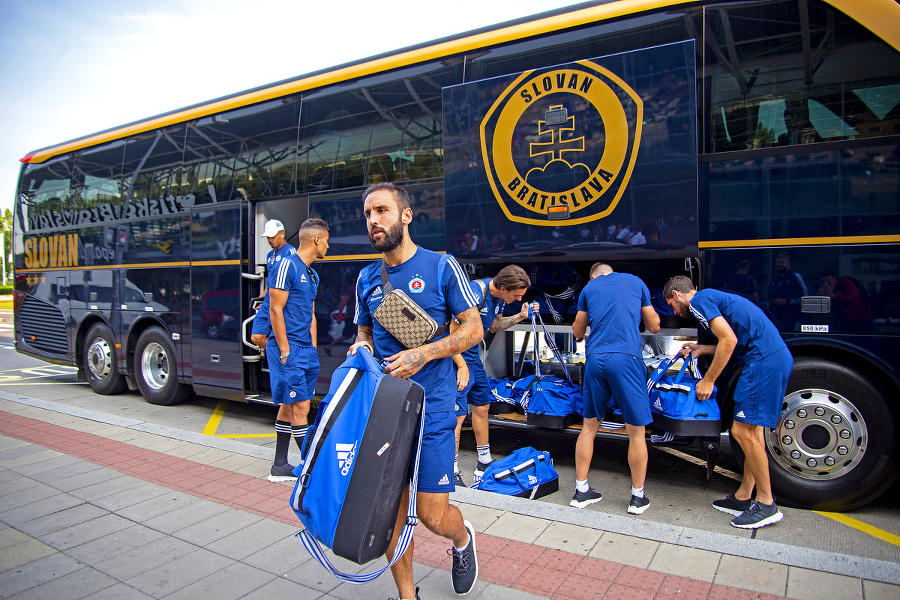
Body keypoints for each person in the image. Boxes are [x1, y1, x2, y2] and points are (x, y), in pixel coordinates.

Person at [349, 182, 482, 599]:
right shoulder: (367, 277)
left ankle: (462, 540)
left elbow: (473, 330)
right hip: (385, 410)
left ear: (405, 216)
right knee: (388, 513)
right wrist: (362, 345)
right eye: (368, 213)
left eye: (382, 211)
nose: (373, 220)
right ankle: (409, 596)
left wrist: (423, 354)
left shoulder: (442, 266)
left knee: (430, 513)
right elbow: (364, 329)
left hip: (435, 409)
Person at [664, 276, 792, 529]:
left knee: (741, 432)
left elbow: (729, 341)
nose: (674, 312)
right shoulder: (711, 296)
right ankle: (745, 496)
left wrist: (709, 380)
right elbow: (731, 338)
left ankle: (766, 504)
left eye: (671, 305)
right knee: (753, 432)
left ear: (678, 295)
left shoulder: (699, 303)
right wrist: (702, 349)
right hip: (773, 357)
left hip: (761, 362)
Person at [570, 263, 660, 514]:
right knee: (636, 432)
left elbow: (578, 330)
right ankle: (637, 498)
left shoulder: (589, 288)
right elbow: (654, 327)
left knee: (589, 427)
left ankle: (581, 491)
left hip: (596, 359)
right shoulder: (635, 280)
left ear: (594, 275)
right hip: (627, 358)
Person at [451, 265, 538, 487]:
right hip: (456, 360)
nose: (519, 299)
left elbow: (495, 325)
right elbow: (451, 329)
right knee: (458, 417)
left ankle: (484, 461)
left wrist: (521, 315)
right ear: (502, 287)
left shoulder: (499, 298)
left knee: (482, 406)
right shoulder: (474, 292)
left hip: (474, 361)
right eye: (516, 296)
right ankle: (450, 469)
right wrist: (460, 365)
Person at [266, 218, 330, 482]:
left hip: (306, 350)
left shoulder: (312, 273)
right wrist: (284, 350)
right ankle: (310, 470)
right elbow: (275, 308)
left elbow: (310, 313)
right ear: (316, 240)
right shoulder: (286, 265)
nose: (328, 245)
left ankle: (279, 466)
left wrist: (313, 347)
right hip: (289, 348)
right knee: (301, 406)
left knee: (288, 405)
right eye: (326, 240)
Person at [767, 251, 807, 330]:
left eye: (782, 262)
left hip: (793, 318)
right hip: (777, 317)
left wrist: (787, 301)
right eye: (778, 262)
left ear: (788, 263)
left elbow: (804, 297)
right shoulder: (774, 279)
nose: (779, 264)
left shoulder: (795, 277)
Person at [323, 279, 358, 356]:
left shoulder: (356, 288)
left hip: (353, 316)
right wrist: (339, 315)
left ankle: (329, 346)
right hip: (351, 317)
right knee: (347, 335)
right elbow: (343, 301)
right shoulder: (353, 288)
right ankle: (329, 346)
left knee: (354, 335)